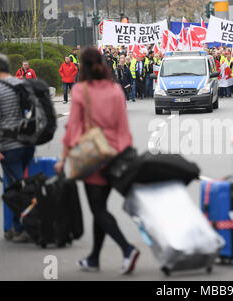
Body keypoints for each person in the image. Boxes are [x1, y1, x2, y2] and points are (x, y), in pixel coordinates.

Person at [54, 47, 140, 274]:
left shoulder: (81, 91)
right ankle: (93, 258)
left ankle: (127, 248)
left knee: (98, 209)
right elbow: (124, 127)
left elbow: (73, 128)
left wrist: (63, 159)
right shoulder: (115, 90)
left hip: (95, 156)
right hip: (118, 154)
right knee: (99, 207)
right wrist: (125, 151)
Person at [0, 54, 35, 242]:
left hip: (10, 145)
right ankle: (17, 226)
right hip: (28, 142)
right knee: (21, 184)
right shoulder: (22, 83)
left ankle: (25, 227)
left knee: (15, 187)